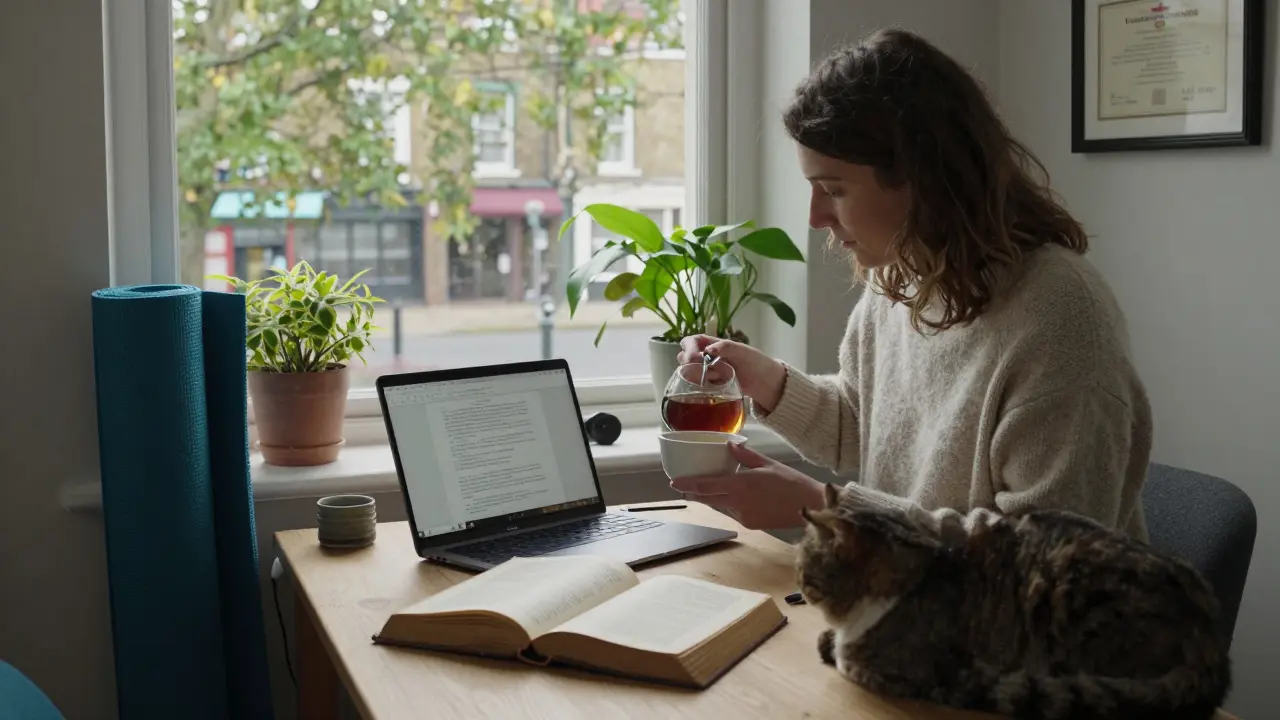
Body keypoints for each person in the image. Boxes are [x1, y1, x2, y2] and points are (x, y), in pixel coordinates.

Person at [672, 29, 1151, 542]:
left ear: (921, 180)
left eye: (833, 189)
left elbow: (1046, 554)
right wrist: (764, 378)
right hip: (900, 592)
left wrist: (828, 509)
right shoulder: (899, 280)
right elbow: (863, 430)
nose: (815, 218)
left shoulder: (1062, 317)